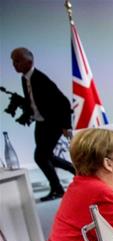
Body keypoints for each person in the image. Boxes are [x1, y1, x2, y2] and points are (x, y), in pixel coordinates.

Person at [10, 47, 75, 201]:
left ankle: (58, 188)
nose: (14, 64)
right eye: (13, 61)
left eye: (17, 61)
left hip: (53, 123)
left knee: (40, 156)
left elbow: (64, 102)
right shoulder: (25, 78)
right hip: (41, 122)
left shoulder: (40, 79)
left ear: (29, 62)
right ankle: (72, 174)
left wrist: (66, 125)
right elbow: (35, 100)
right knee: (46, 156)